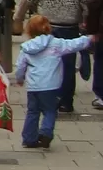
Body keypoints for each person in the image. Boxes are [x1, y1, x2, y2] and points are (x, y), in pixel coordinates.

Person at [14, 0, 90, 114]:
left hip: (45, 25)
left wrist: (18, 17)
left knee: (45, 62)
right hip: (70, 25)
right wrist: (87, 18)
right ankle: (66, 101)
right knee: (68, 64)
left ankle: (50, 98)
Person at [15, 13, 93, 149]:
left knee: (32, 112)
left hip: (33, 86)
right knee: (50, 111)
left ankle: (29, 138)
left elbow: (20, 66)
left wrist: (20, 78)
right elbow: (73, 44)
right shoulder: (56, 44)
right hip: (51, 86)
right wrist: (89, 38)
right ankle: (45, 132)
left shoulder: (26, 48)